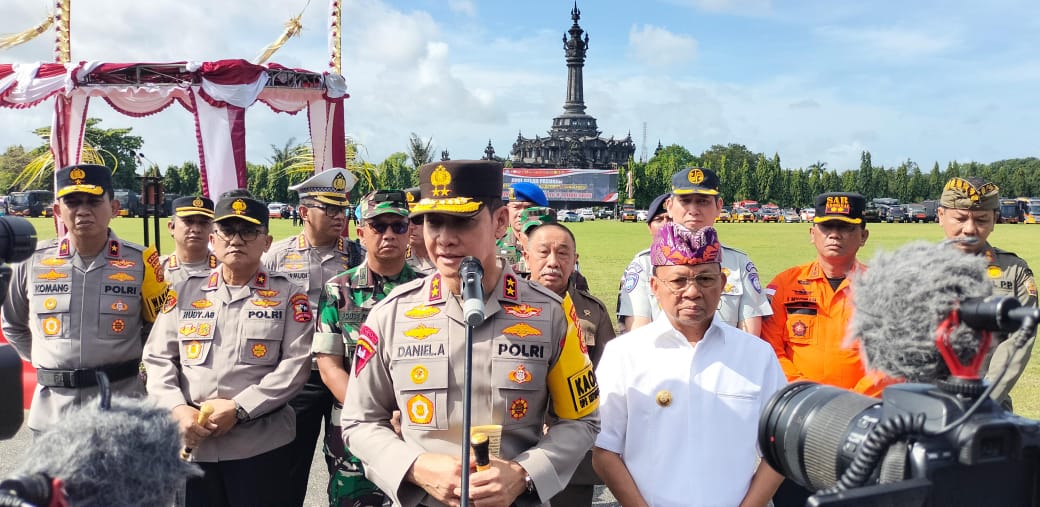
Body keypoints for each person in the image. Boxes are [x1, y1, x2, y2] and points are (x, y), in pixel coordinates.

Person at [341, 160, 600, 507]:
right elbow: (359, 421)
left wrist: (525, 473)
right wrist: (414, 467)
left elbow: (582, 421)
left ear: (500, 221)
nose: (445, 238)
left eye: (462, 221)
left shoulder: (552, 314)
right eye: (433, 221)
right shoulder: (391, 314)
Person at [592, 223, 786, 507]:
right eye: (679, 280)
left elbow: (778, 449)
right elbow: (604, 451)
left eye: (705, 279)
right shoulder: (624, 354)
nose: (693, 292)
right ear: (655, 287)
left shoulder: (757, 355)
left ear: (722, 283)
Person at [144, 196, 313, 507]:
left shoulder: (290, 296)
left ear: (267, 242)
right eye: (227, 230)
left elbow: (295, 367)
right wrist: (177, 410)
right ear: (213, 239)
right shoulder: (182, 293)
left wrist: (239, 408)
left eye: (248, 231)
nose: (236, 239)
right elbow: (157, 358)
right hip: (193, 442)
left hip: (260, 446)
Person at [1, 164, 168, 433]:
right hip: (53, 415)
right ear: (57, 211)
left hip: (122, 410)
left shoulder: (142, 262)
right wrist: (50, 363)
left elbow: (159, 330)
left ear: (114, 208)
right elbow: (12, 324)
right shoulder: (31, 261)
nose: (83, 210)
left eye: (93, 200)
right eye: (72, 201)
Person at [760, 192, 874, 507]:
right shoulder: (784, 285)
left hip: (861, 423)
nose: (834, 235)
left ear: (863, 235)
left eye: (846, 227)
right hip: (797, 422)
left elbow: (891, 358)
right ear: (813, 234)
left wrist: (849, 407)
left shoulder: (882, 288)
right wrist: (807, 398)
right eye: (826, 227)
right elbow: (770, 350)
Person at [262, 167, 364, 505]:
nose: (339, 217)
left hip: (346, 375)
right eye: (330, 209)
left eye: (343, 210)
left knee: (350, 467)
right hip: (300, 379)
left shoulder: (358, 255)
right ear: (304, 212)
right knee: (289, 467)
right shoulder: (277, 255)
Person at [314, 189, 421, 506]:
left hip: (415, 427)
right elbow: (329, 365)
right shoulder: (338, 291)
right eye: (378, 226)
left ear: (410, 233)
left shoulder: (429, 290)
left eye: (398, 226)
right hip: (355, 430)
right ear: (361, 233)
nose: (389, 234)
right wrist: (373, 413)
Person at [521, 217, 616, 507]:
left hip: (571, 455)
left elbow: (606, 379)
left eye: (563, 253)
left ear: (575, 260)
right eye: (543, 252)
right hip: (517, 447)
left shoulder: (592, 312)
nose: (553, 261)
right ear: (525, 256)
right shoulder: (505, 307)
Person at [937, 177, 1037, 409]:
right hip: (926, 403)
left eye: (981, 219)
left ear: (995, 220)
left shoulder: (1014, 272)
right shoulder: (914, 268)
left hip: (988, 404)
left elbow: (1018, 343)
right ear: (941, 215)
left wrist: (983, 400)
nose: (970, 229)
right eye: (960, 218)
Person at [664, 167, 772, 335]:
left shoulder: (739, 264)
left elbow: (750, 338)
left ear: (719, 207)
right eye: (685, 201)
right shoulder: (646, 264)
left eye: (703, 201)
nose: (693, 210)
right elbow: (640, 338)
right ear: (669, 206)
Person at [616, 193, 671, 332]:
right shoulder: (641, 266)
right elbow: (636, 330)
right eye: (659, 219)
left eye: (671, 218)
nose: (666, 224)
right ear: (649, 227)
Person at [160, 196, 218, 285]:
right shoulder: (157, 269)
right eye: (188, 221)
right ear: (171, 227)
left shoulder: (226, 269)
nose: (196, 229)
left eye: (204, 223)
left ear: (213, 229)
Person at [498, 181, 549, 270]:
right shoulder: (496, 246)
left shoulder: (555, 245)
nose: (521, 213)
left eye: (528, 208)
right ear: (508, 210)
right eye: (516, 207)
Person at [403, 186, 436, 275]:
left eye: (417, 220)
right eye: (406, 220)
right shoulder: (398, 258)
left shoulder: (445, 257)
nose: (411, 226)